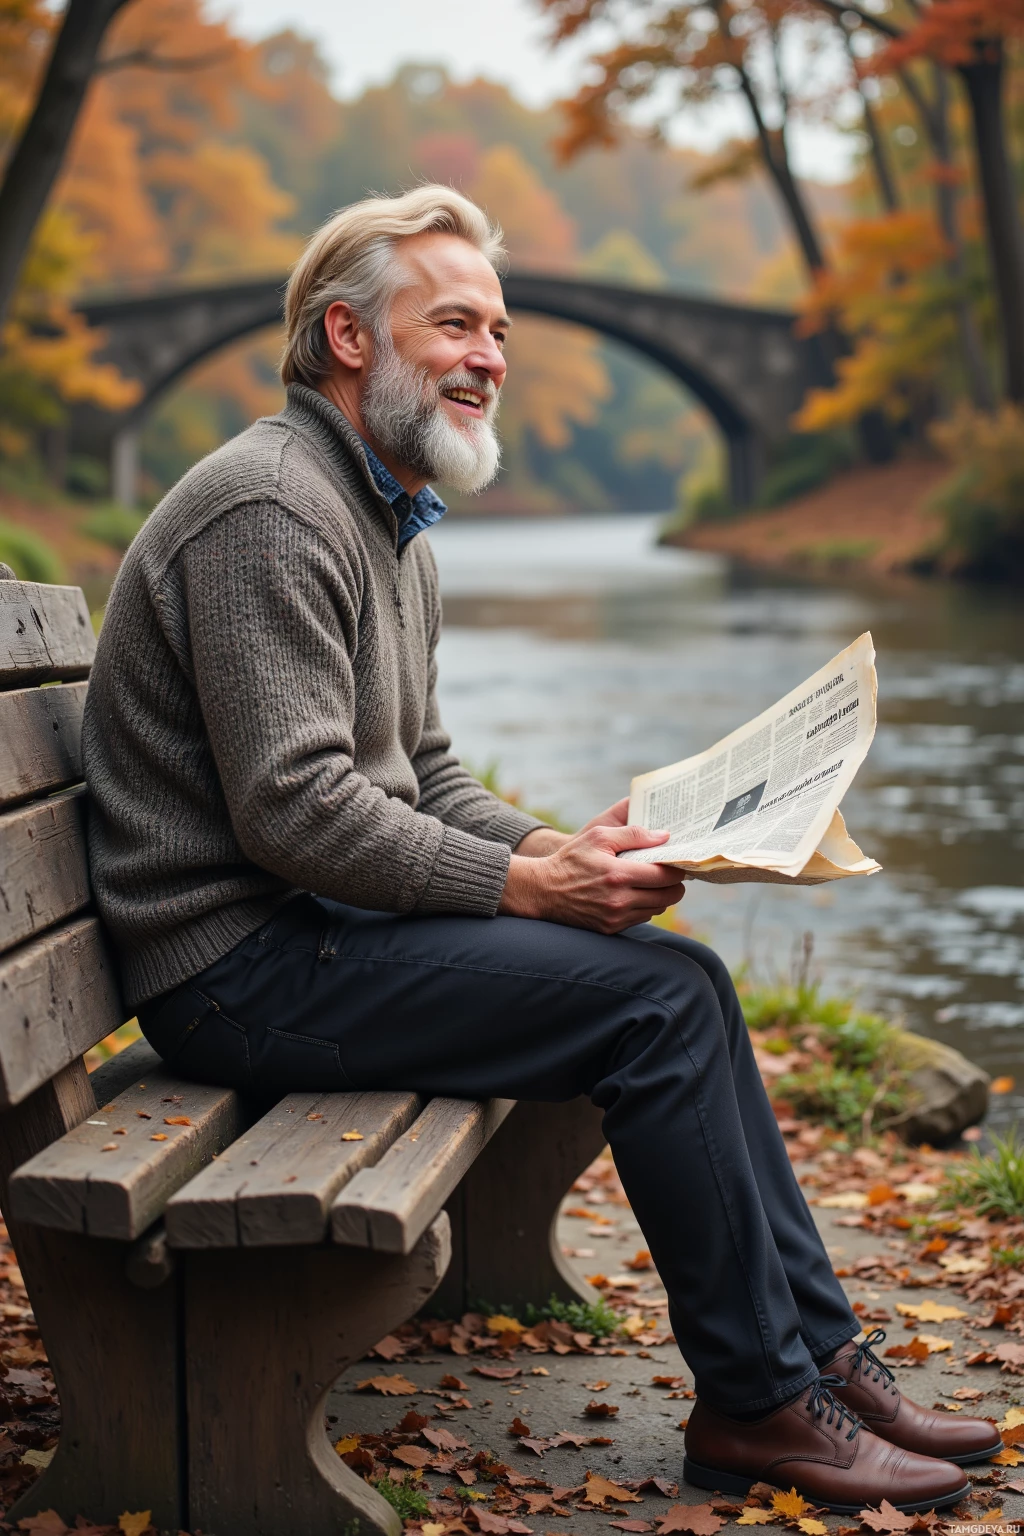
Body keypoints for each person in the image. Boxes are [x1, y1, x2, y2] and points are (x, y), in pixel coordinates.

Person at [83, 186, 999, 1511]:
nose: (492, 356)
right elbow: (298, 811)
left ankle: (821, 1361)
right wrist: (526, 886)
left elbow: (428, 775)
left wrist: (563, 850)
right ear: (349, 338)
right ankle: (756, 1405)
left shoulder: (390, 520)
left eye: (499, 330)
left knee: (680, 977)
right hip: (237, 970)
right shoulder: (272, 513)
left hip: (314, 935)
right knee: (659, 1009)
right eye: (454, 322)